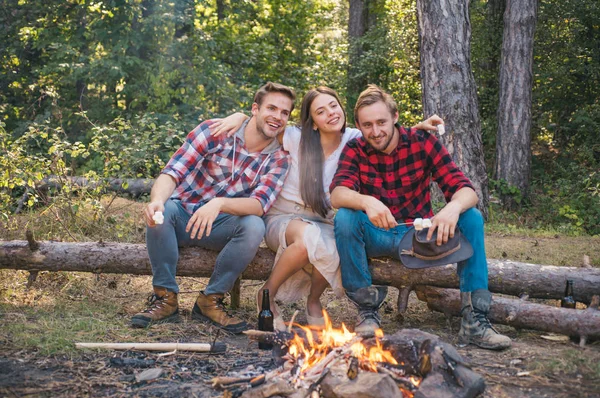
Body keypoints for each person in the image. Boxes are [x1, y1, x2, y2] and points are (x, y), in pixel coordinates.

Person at [212, 87, 438, 330]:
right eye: (321, 111)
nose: (330, 113)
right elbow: (263, 127)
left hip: (324, 219)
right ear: (314, 123)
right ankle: (266, 293)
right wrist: (240, 117)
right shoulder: (295, 137)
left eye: (333, 105)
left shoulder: (354, 139)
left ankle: (313, 300)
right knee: (308, 238)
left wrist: (416, 129)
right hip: (283, 218)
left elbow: (384, 134)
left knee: (337, 242)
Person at [330, 84, 511, 350]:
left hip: (420, 238)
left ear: (395, 116)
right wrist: (366, 201)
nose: (376, 131)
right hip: (377, 235)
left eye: (381, 122)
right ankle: (367, 313)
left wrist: (451, 208)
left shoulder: (422, 142)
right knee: (345, 217)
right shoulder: (355, 149)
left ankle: (475, 321)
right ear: (358, 124)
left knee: (470, 217)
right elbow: (338, 194)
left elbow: (466, 190)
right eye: (367, 125)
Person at [130, 82, 295, 333]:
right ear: (254, 109)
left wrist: (219, 204)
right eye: (271, 108)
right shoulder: (215, 131)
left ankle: (210, 300)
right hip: (183, 214)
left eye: (285, 113)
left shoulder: (280, 157)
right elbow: (172, 173)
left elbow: (260, 204)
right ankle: (165, 298)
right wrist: (156, 201)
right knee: (163, 212)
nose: (278, 117)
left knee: (254, 226)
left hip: (222, 225)